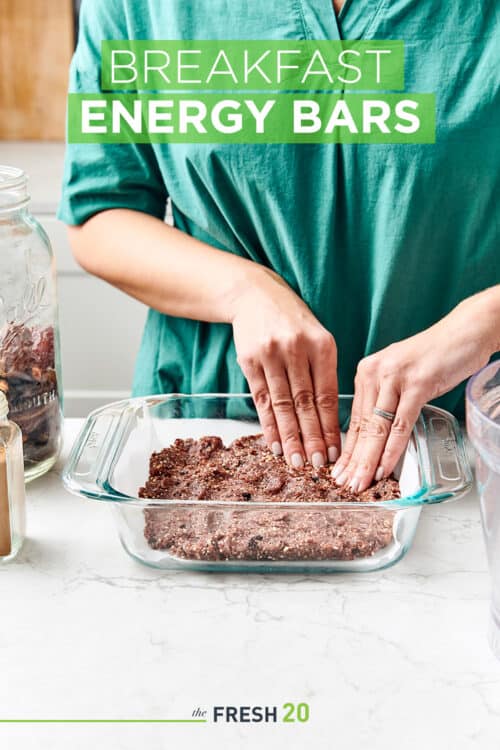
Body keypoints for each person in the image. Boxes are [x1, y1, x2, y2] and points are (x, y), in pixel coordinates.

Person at [59, 0, 500, 493]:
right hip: (210, 437)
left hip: (463, 445)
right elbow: (98, 214)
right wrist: (243, 291)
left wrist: (482, 323)